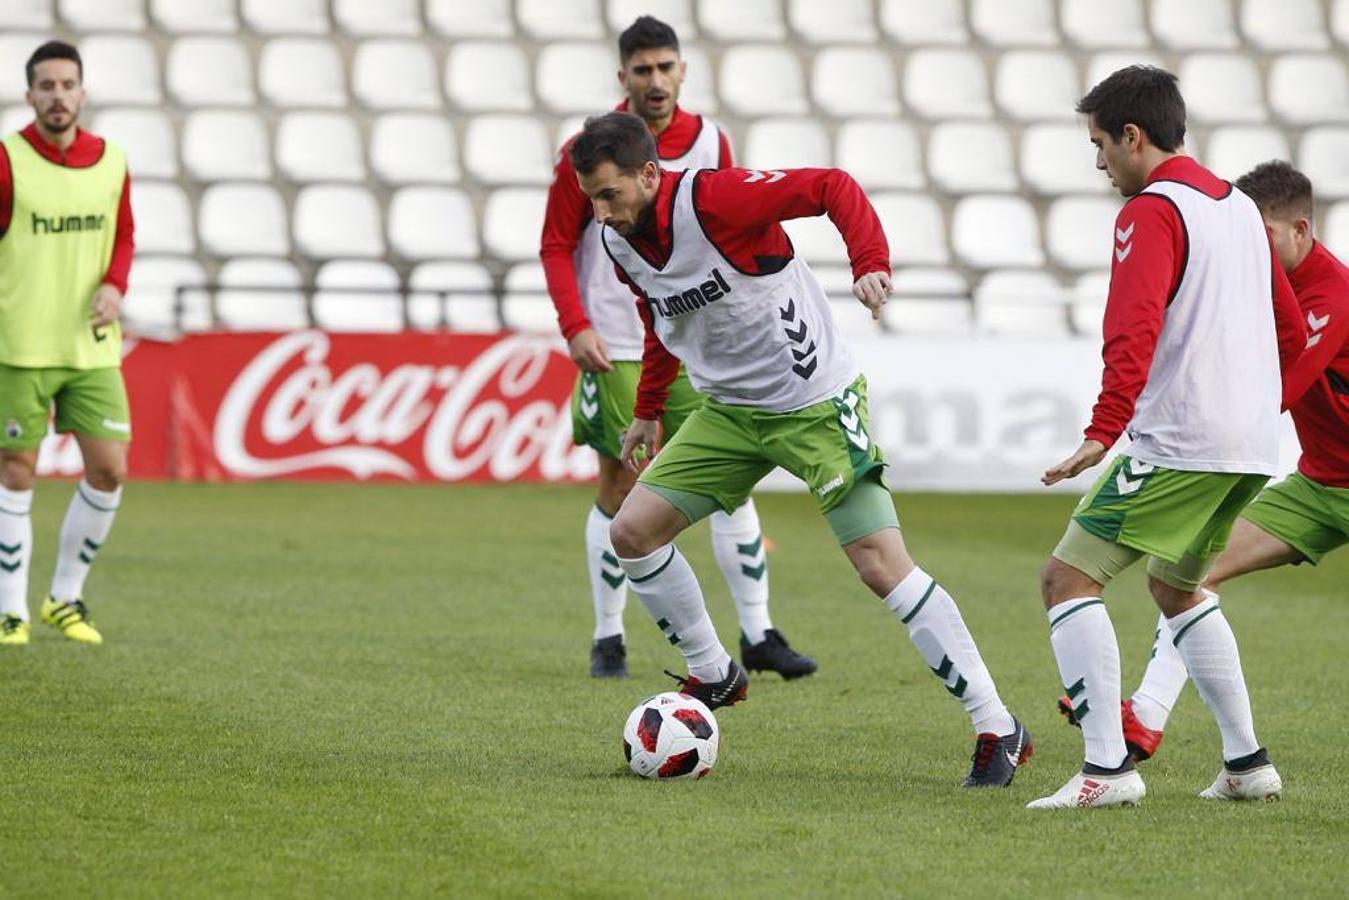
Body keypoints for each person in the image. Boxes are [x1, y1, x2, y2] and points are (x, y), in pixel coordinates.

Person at [571, 111, 1030, 788]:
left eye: (609, 195)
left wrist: (869, 264)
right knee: (631, 533)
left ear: (648, 174)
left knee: (879, 566)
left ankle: (996, 725)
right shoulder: (619, 244)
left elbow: (832, 186)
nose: (601, 213)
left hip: (813, 404)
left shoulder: (715, 199)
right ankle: (714, 671)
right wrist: (646, 411)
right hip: (727, 413)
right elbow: (661, 317)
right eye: (590, 199)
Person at [1030, 67, 1306, 809]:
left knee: (1067, 578)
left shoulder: (1152, 211)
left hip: (1181, 440)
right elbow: (1286, 327)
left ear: (1132, 134)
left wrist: (1103, 428)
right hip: (1249, 445)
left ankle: (1106, 771)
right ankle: (1247, 765)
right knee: (1176, 585)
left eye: (1098, 144)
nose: (1098, 164)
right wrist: (1251, 406)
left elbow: (1132, 325)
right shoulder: (1240, 211)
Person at [541, 17, 815, 681]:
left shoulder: (712, 141)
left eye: (665, 67)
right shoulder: (587, 150)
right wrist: (575, 322)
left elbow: (731, 223)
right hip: (618, 338)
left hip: (697, 340)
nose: (655, 81)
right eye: (642, 70)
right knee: (621, 481)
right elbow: (555, 241)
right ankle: (609, 636)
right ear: (623, 79)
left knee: (734, 475)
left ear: (682, 71)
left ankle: (757, 632)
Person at [1080, 161, 1349, 763]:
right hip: (1321, 486)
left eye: (1268, 234)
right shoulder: (1262, 283)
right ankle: (1150, 719)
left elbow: (1275, 394)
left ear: (1301, 230)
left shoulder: (1333, 296)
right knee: (1186, 577)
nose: (1256, 244)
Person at [0, 41, 135, 647]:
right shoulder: (7, 161)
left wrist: (114, 284)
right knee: (15, 472)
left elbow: (124, 235)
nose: (58, 95)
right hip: (19, 344)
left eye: (67, 84)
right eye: (46, 86)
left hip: (91, 347)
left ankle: (65, 596)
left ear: (83, 92)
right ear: (29, 95)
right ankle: (11, 611)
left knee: (109, 470)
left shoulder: (112, 162)